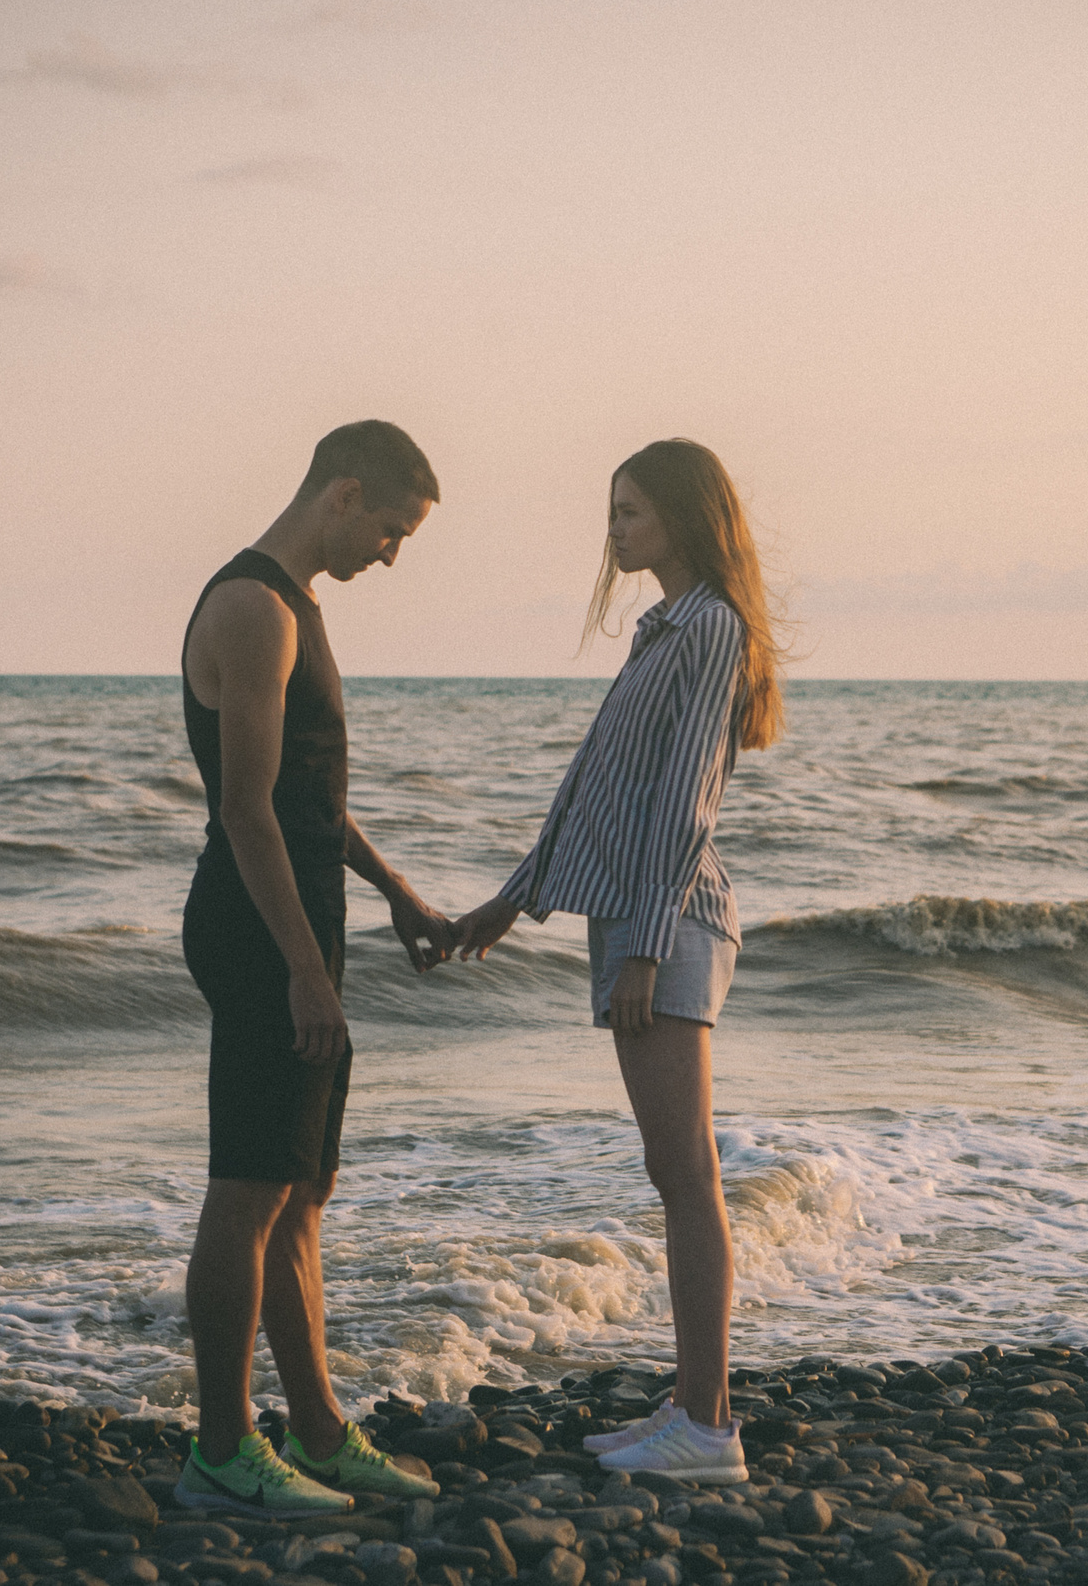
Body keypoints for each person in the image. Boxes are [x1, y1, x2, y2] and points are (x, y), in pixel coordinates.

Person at [453, 437, 785, 1486]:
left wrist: (641, 947)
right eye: (611, 512)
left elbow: (681, 804)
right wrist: (509, 901)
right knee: (674, 1172)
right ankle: (698, 1408)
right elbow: (595, 790)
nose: (615, 530)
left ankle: (705, 1430)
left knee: (687, 1177)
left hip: (669, 923)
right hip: (647, 920)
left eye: (630, 512)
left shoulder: (711, 629)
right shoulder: (665, 630)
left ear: (685, 518)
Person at [174, 420, 456, 1518]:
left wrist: (396, 894)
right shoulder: (250, 607)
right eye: (390, 531)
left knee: (303, 1190)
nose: (390, 554)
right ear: (343, 495)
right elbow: (246, 812)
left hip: (303, 919)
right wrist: (301, 968)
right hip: (257, 927)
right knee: (249, 1186)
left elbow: (312, 801)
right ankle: (221, 1450)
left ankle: (321, 1434)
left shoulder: (298, 607)